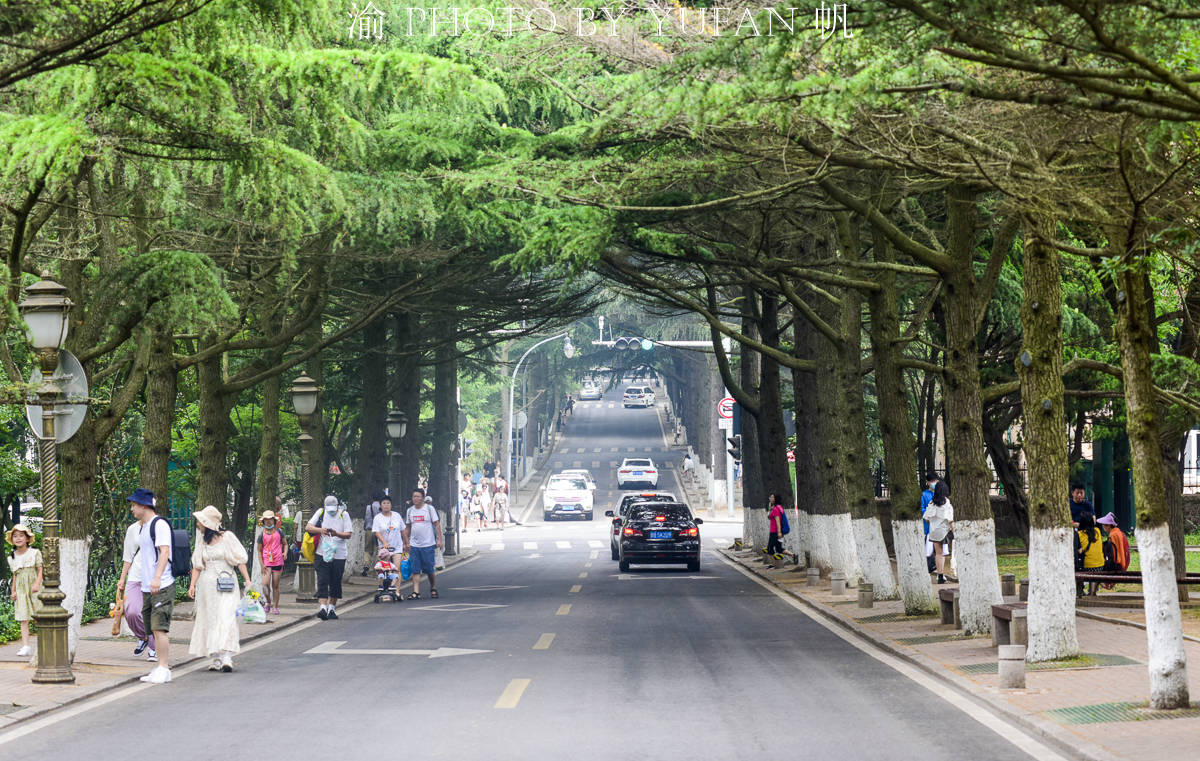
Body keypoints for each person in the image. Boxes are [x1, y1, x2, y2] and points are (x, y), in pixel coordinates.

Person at [187, 506, 251, 672]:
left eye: (201, 522)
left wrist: (247, 580)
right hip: (207, 585)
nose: (198, 525)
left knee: (228, 618)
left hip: (227, 583)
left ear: (207, 524)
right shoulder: (201, 541)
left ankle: (227, 656)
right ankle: (215, 657)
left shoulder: (228, 537)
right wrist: (192, 584)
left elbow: (239, 560)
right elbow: (197, 565)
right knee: (211, 619)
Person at [130, 488, 174, 684]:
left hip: (161, 585)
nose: (132, 509)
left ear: (143, 505)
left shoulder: (159, 524)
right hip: (148, 586)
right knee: (151, 629)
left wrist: (157, 577)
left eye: (133, 505)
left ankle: (164, 667)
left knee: (160, 628)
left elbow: (164, 552)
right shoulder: (144, 527)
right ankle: (159, 667)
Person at [306, 496, 353, 620]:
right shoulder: (320, 512)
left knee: (335, 582)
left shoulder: (344, 514)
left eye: (334, 508)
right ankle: (323, 608)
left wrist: (337, 533)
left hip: (339, 554)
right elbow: (308, 527)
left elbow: (348, 534)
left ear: (338, 506)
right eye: (329, 508)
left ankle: (332, 609)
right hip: (322, 553)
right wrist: (321, 530)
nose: (331, 511)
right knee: (322, 580)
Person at [6, 524, 42, 658]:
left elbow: (40, 569)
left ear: (27, 538)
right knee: (23, 617)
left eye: (21, 536)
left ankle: (42, 642)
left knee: (37, 616)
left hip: (33, 588)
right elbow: (15, 574)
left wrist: (37, 584)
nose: (18, 538)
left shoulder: (34, 553)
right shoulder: (12, 557)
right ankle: (26, 645)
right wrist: (13, 590)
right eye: (15, 536)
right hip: (21, 589)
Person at [116, 519, 148, 657]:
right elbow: (128, 556)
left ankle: (154, 649)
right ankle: (143, 637)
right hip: (135, 576)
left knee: (153, 614)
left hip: (155, 577)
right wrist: (122, 578)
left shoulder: (159, 526)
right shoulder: (132, 529)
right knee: (131, 612)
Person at [403, 488, 442, 599]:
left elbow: (437, 524)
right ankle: (416, 592)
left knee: (429, 569)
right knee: (415, 569)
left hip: (428, 544)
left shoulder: (429, 509)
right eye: (414, 496)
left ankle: (433, 587)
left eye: (418, 496)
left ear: (423, 498)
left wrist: (439, 540)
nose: (415, 498)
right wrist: (405, 542)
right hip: (414, 545)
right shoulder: (410, 511)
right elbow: (408, 528)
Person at [253, 510, 287, 614]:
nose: (268, 521)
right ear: (263, 521)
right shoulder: (261, 535)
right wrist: (262, 564)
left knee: (275, 585)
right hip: (267, 561)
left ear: (274, 520)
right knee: (265, 584)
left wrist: (285, 553)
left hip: (277, 561)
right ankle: (268, 602)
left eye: (270, 519)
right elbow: (259, 551)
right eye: (266, 520)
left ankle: (275, 607)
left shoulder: (279, 532)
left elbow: (285, 544)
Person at [372, 496, 406, 597]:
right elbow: (376, 532)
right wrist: (384, 543)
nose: (386, 505)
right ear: (381, 505)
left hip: (397, 546)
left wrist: (406, 542)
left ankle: (396, 590)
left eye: (388, 503)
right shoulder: (378, 518)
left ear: (391, 505)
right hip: (384, 548)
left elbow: (403, 530)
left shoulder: (397, 516)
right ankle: (383, 588)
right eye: (384, 503)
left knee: (396, 568)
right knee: (383, 569)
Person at [925, 481, 954, 584]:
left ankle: (940, 575)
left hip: (934, 532)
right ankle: (941, 576)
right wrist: (954, 530)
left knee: (938, 553)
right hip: (943, 531)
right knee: (943, 553)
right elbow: (950, 519)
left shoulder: (932, 502)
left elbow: (927, 518)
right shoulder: (946, 502)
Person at [1097, 512, 1130, 589]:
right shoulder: (1119, 532)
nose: (1103, 527)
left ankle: (1093, 591)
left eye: (1104, 525)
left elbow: (1113, 555)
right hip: (1124, 562)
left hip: (1118, 565)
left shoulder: (1113, 535)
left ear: (1108, 526)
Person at [1075, 512, 1105, 596]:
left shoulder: (1079, 534)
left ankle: (1080, 591)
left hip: (1086, 567)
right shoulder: (1098, 531)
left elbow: (1079, 551)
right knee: (1094, 570)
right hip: (1100, 566)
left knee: (1077, 567)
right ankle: (1092, 592)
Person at [920, 473, 940, 574]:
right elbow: (922, 508)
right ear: (928, 482)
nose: (934, 483)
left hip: (939, 525)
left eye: (936, 481)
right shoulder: (924, 494)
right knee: (928, 546)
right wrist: (928, 516)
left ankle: (934, 566)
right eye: (932, 481)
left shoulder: (941, 494)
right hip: (928, 524)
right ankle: (929, 566)